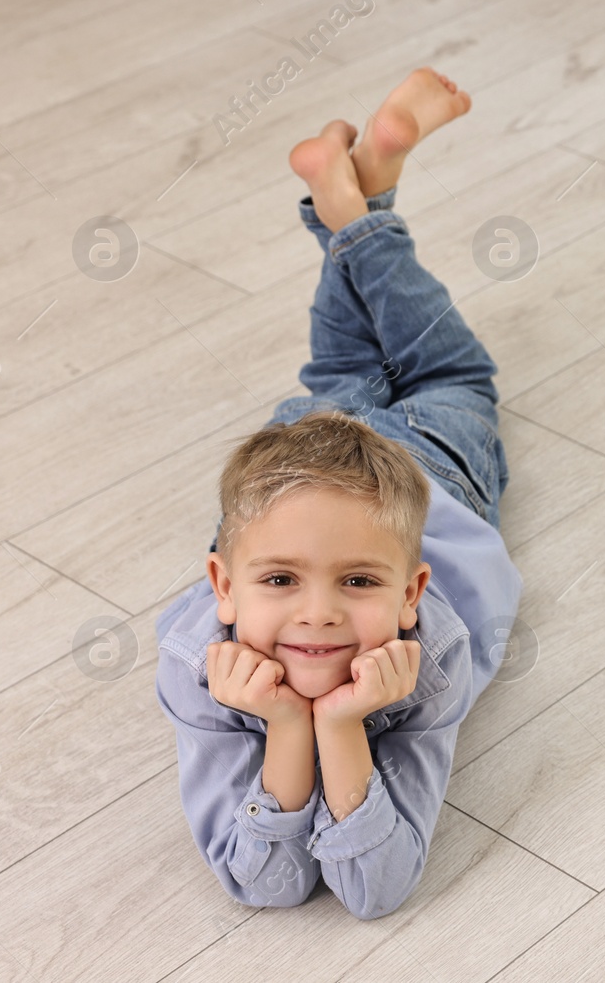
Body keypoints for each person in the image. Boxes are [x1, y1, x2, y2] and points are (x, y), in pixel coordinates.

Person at [154, 69, 521, 920]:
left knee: (375, 370)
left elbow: (374, 889)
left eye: (359, 582)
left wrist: (341, 723)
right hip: (377, 464)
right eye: (279, 581)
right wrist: (295, 724)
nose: (318, 616)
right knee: (410, 369)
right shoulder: (191, 663)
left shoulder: (428, 660)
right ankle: (359, 202)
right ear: (222, 586)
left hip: (418, 473)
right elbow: (267, 885)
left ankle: (360, 206)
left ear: (411, 590)